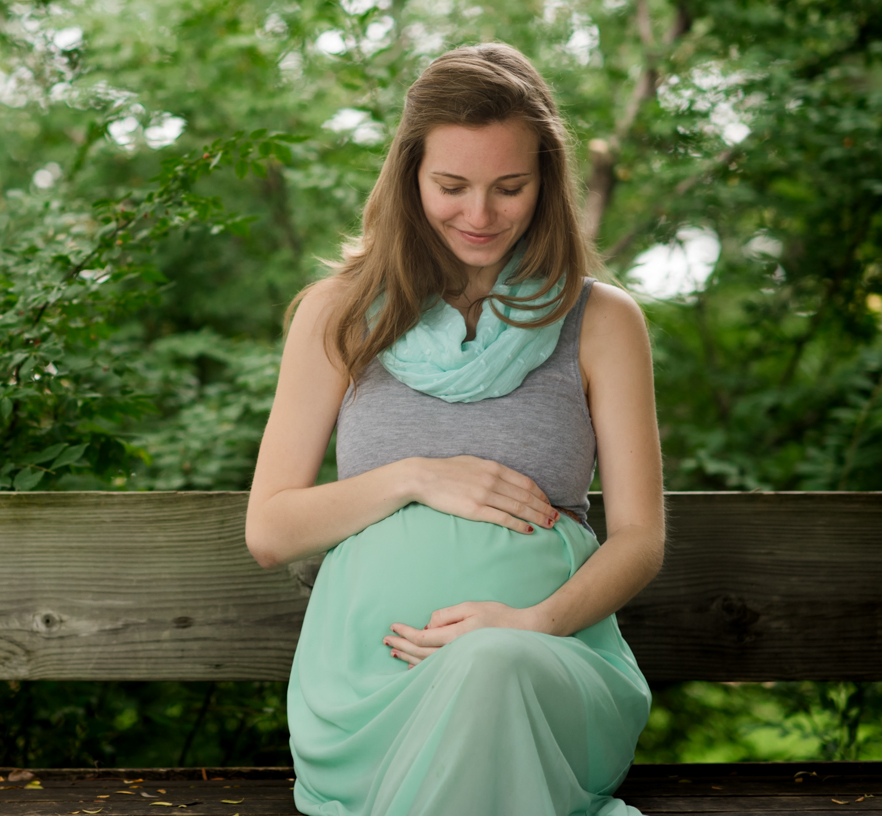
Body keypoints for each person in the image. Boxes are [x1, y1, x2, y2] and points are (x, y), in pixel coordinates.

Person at [245, 43, 665, 816]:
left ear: (547, 180)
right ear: (409, 178)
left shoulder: (603, 321)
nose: (479, 214)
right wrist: (415, 475)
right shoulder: (336, 314)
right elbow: (270, 529)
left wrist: (534, 625)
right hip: (369, 698)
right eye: (451, 185)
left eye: (510, 187)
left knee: (493, 665)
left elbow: (640, 537)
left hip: (552, 674)